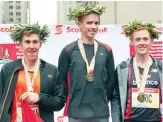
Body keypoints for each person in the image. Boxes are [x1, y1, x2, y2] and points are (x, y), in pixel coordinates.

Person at [58, 2, 115, 122]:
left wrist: (103, 99)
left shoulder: (106, 50)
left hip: (100, 113)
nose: (93, 26)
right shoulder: (68, 50)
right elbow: (61, 80)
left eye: (96, 23)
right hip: (76, 113)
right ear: (79, 24)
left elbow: (111, 81)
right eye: (89, 23)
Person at [0, 23, 67, 122]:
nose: (31, 46)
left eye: (35, 42)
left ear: (40, 44)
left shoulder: (51, 71)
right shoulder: (8, 69)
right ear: (21, 45)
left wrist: (39, 97)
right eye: (27, 42)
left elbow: (60, 102)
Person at [111, 20, 162, 122]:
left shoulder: (160, 66)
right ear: (132, 41)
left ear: (151, 41)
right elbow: (115, 98)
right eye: (138, 39)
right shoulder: (122, 68)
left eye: (145, 39)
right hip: (130, 120)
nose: (142, 43)